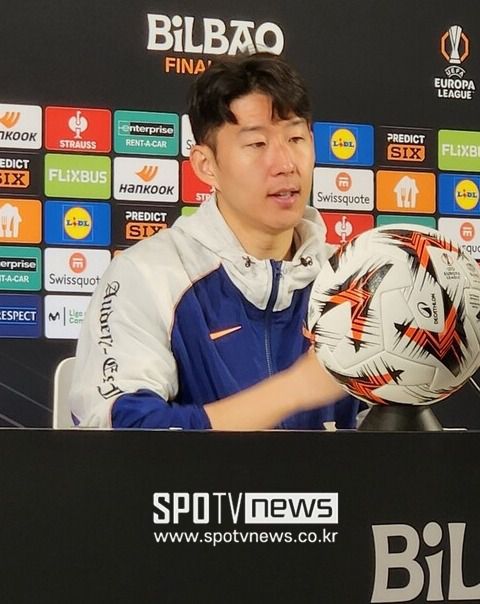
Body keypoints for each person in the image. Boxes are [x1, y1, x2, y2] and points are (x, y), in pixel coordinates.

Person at [70, 52, 359, 429]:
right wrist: (294, 390)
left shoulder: (353, 280)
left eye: (295, 138)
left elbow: (398, 437)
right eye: (257, 144)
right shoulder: (149, 275)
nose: (286, 163)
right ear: (206, 166)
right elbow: (125, 433)